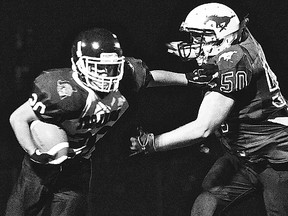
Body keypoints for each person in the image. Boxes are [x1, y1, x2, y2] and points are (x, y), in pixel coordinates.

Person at [5, 27, 188, 216]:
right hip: (41, 165)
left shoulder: (126, 79)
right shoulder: (62, 91)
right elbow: (18, 118)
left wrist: (188, 79)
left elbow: (151, 78)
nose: (106, 74)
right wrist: (34, 152)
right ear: (79, 64)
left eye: (111, 67)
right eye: (97, 67)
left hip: (78, 165)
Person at [130, 3, 288, 216]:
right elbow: (190, 78)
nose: (194, 44)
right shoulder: (233, 44)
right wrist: (141, 78)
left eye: (200, 37)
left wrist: (153, 143)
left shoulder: (234, 61)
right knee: (207, 200)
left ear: (223, 36)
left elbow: (202, 128)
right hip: (245, 155)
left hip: (276, 158)